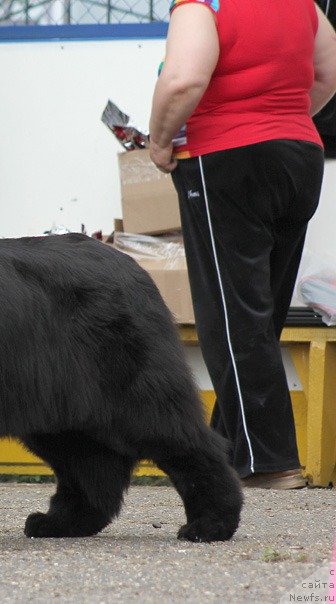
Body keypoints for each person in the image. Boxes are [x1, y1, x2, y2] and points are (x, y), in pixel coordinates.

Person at [148, 0, 336, 489]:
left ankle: (269, 462)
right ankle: (229, 453)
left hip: (226, 156)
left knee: (231, 316)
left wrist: (160, 140)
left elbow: (183, 79)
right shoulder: (302, 5)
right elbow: (328, 70)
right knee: (260, 311)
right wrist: (285, 120)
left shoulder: (202, 4)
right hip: (299, 155)